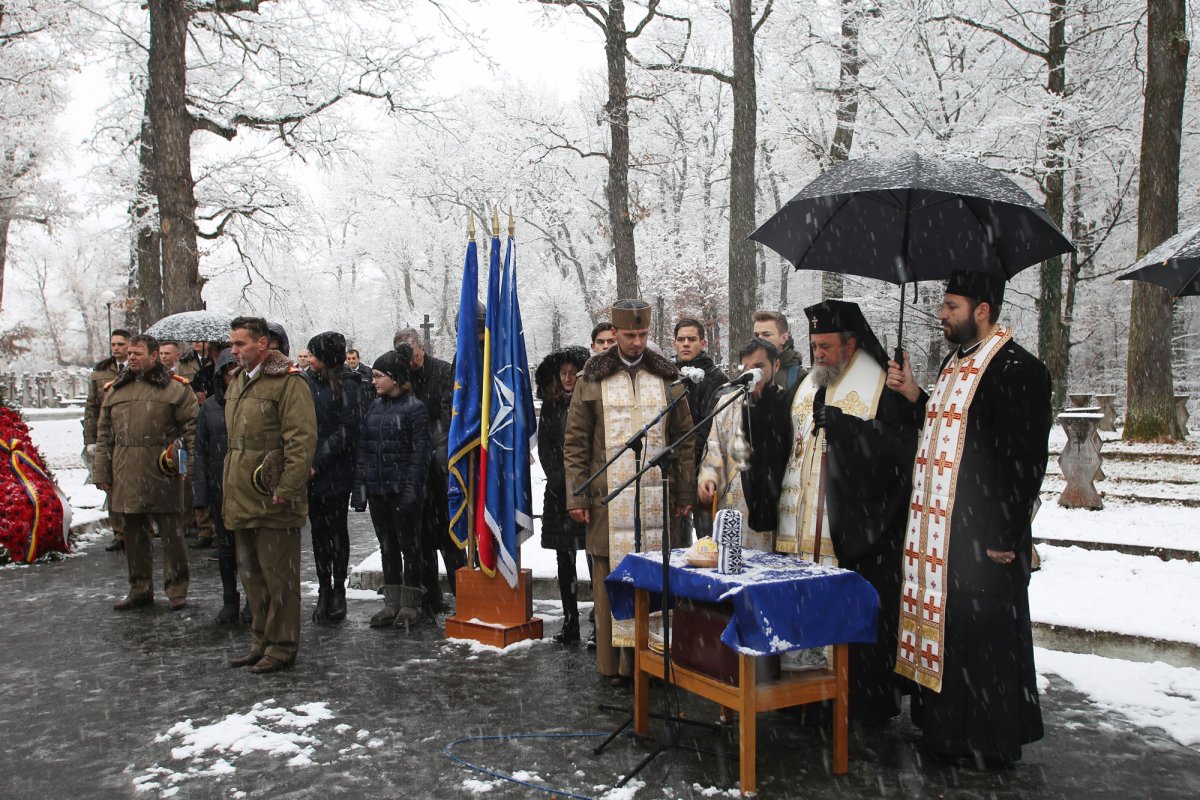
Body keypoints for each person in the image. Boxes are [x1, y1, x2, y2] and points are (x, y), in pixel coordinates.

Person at [888, 270, 1051, 767]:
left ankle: (988, 740)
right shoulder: (953, 364)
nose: (942, 313)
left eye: (952, 305)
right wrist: (915, 395)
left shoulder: (1018, 369)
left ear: (983, 310)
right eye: (944, 303)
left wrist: (1007, 532)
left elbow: (1026, 459)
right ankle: (947, 730)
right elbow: (944, 436)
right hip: (942, 535)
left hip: (983, 533)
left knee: (986, 640)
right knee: (952, 630)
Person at [775, 300, 921, 720]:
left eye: (826, 346)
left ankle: (853, 702)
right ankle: (804, 696)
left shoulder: (880, 384)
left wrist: (851, 432)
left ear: (851, 343)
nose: (818, 354)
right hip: (801, 528)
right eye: (814, 345)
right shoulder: (807, 384)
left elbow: (903, 451)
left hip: (853, 530)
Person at [563, 299, 696, 685]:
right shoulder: (592, 377)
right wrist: (577, 495)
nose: (636, 342)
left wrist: (684, 489)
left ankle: (651, 664)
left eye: (642, 334)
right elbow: (575, 443)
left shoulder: (668, 377)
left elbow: (684, 439)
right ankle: (615, 668)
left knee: (655, 580)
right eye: (628, 334)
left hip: (658, 500)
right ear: (615, 333)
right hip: (608, 499)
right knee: (611, 582)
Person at [223, 316, 317, 675]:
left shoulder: (288, 382)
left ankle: (282, 646)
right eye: (232, 344)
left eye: (240, 344)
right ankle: (261, 640)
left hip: (271, 494)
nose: (234, 350)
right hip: (240, 493)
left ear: (263, 344)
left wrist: (287, 488)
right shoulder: (237, 382)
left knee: (279, 578)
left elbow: (301, 440)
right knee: (251, 575)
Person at [93, 334, 198, 611]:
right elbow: (104, 434)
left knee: (172, 533)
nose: (132, 358)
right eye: (130, 353)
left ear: (154, 356)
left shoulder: (176, 389)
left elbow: (191, 431)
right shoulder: (116, 389)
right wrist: (102, 471)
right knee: (133, 533)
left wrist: (187, 468)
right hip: (125, 467)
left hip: (162, 467)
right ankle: (140, 587)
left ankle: (176, 588)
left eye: (138, 353)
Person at [353, 347, 430, 628]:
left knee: (409, 548)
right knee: (387, 547)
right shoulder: (375, 407)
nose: (373, 381)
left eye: (378, 376)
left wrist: (411, 492)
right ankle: (392, 602)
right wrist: (360, 489)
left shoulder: (415, 409)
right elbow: (364, 450)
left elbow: (419, 456)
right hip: (379, 491)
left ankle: (411, 603)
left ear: (395, 378)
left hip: (402, 492)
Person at [697, 339, 791, 552]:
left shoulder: (786, 404)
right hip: (732, 506)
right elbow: (714, 448)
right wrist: (708, 478)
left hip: (770, 508)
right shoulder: (727, 403)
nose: (752, 374)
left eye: (759, 367)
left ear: (775, 366)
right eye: (746, 368)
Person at [393, 327, 463, 616]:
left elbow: (450, 416)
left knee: (450, 537)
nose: (410, 359)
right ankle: (430, 598)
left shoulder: (443, 372)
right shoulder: (399, 374)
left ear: (422, 347)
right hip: (413, 467)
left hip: (439, 464)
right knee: (420, 538)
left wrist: (441, 456)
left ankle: (465, 598)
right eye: (403, 353)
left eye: (413, 351)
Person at [305, 331, 363, 623]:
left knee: (337, 531)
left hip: (336, 469)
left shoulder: (349, 385)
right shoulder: (306, 382)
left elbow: (347, 429)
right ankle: (323, 588)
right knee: (318, 533)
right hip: (310, 471)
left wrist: (318, 460)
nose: (310, 359)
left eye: (315, 354)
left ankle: (338, 587)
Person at [535, 346, 590, 644]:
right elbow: (545, 446)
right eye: (563, 373)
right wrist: (560, 479)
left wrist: (582, 481)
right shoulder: (552, 406)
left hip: (589, 489)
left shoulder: (590, 401)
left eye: (573, 372)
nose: (568, 378)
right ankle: (570, 622)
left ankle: (598, 621)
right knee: (564, 558)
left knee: (595, 557)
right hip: (559, 491)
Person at [194, 348, 246, 624]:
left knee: (248, 547)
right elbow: (200, 451)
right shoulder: (210, 408)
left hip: (246, 485)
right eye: (228, 372)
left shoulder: (250, 400)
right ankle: (229, 599)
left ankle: (253, 599)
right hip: (219, 486)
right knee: (226, 548)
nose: (232, 377)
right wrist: (200, 491)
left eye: (236, 371)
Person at [671, 317, 727, 545]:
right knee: (676, 544)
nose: (685, 344)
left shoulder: (717, 379)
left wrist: (692, 462)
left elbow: (710, 426)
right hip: (674, 468)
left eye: (691, 339)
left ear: (703, 343)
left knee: (708, 541)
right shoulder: (668, 376)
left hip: (705, 467)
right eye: (681, 339)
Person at [84, 329, 131, 552]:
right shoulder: (101, 371)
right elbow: (91, 408)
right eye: (113, 344)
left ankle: (141, 529)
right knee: (111, 485)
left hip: (132, 433)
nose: (116, 348)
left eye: (121, 344)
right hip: (108, 435)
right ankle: (119, 532)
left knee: (134, 482)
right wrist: (90, 439)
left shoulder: (137, 368)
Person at [752, 310, 805, 389]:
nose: (759, 339)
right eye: (756, 335)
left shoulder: (799, 378)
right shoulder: (749, 371)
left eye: (766, 334)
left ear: (784, 338)